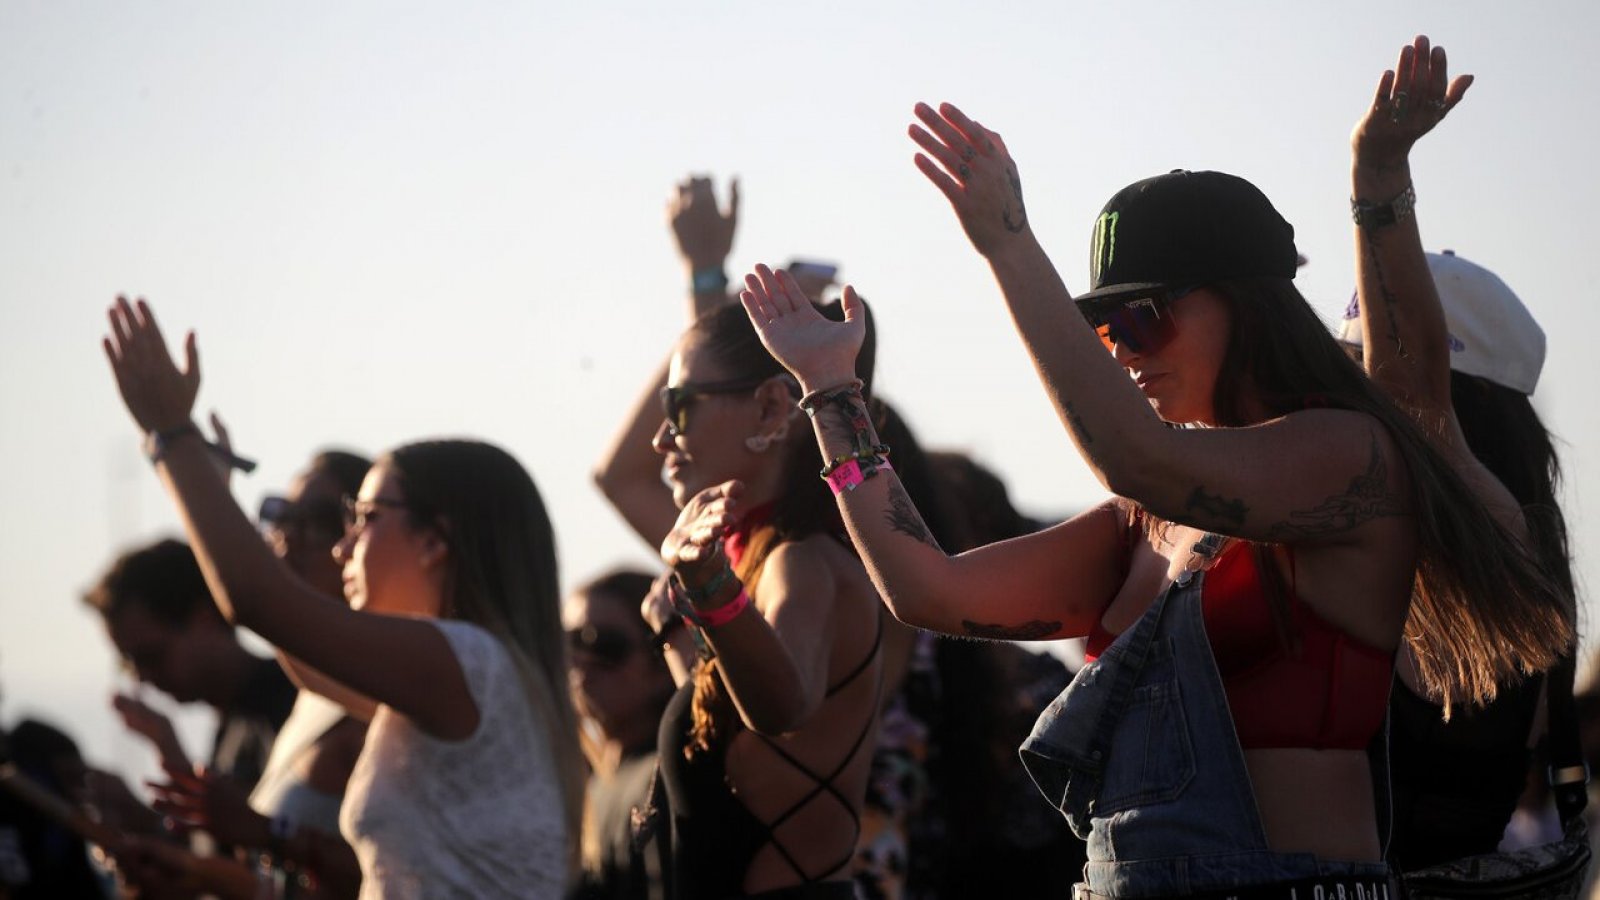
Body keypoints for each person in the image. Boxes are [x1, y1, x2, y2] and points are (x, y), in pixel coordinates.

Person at [734, 95, 1569, 898]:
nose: (1123, 353)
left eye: (1144, 319)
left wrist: (1008, 245)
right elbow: (927, 590)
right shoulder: (1149, 514)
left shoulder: (1348, 456)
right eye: (1104, 330)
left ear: (1246, 304)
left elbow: (1138, 456)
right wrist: (831, 391)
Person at [99, 296, 583, 899]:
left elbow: (261, 605)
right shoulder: (467, 673)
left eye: (366, 515)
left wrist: (171, 435)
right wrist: (212, 491)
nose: (342, 545)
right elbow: (295, 646)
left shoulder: (467, 663)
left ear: (435, 540)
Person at [1342, 35, 1577, 871]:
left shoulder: (1487, 532)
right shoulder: (1530, 543)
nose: (1350, 397)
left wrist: (1378, 174)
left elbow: (1411, 397)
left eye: (1363, 368)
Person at [594, 245, 885, 896]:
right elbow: (729, 741)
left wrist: (706, 588)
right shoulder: (752, 559)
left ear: (770, 410)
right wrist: (680, 629)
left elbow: (784, 706)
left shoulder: (802, 563)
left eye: (680, 408)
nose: (661, 440)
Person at [83, 538, 296, 792]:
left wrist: (173, 757)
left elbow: (268, 826)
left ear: (203, 619)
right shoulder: (234, 720)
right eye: (130, 664)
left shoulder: (287, 703)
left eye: (151, 656)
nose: (142, 677)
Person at [565, 569, 675, 900]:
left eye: (606, 645)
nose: (582, 660)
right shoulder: (589, 784)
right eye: (571, 640)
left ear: (660, 664)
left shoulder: (665, 780)